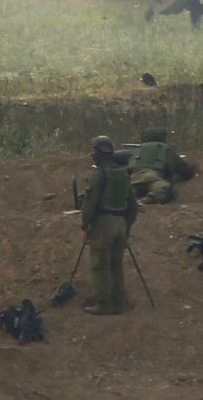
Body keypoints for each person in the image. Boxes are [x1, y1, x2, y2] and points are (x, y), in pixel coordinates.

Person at [81, 135, 138, 316]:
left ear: (99, 152)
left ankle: (103, 304)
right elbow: (133, 205)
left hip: (104, 223)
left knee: (100, 264)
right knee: (116, 265)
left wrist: (85, 225)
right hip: (121, 222)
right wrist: (127, 226)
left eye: (93, 150)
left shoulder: (99, 175)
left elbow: (90, 203)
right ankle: (118, 303)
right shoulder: (122, 173)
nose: (91, 153)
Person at [128, 127, 196, 204]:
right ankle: (145, 200)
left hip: (135, 177)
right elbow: (185, 171)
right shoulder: (165, 150)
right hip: (154, 178)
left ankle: (133, 199)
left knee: (130, 190)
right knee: (167, 190)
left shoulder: (136, 150)